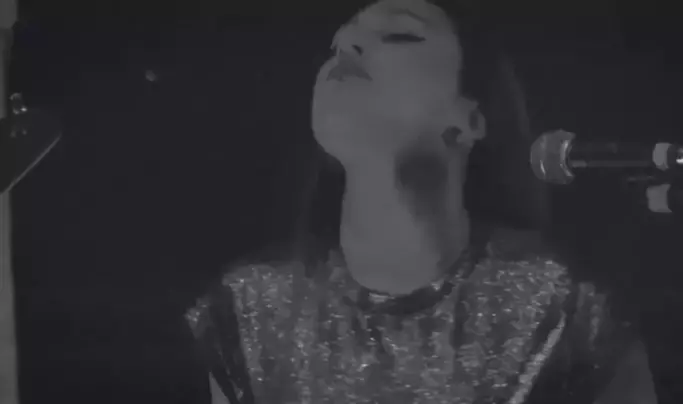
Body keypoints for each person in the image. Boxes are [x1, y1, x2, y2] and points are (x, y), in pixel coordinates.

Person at [186, 1, 657, 403]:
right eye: (337, 41)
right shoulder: (250, 309)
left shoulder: (566, 311)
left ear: (468, 120)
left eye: (399, 35)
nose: (345, 43)